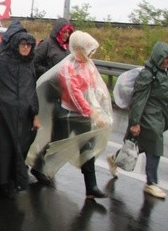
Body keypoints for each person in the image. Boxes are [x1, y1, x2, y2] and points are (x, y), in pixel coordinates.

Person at [29, 31, 112, 200]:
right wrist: (94, 114)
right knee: (56, 144)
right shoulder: (68, 67)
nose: (91, 54)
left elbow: (94, 86)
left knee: (87, 149)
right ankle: (38, 166)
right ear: (78, 49)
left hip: (84, 116)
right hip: (66, 114)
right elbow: (75, 95)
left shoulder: (88, 65)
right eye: (88, 50)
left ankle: (91, 187)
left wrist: (100, 100)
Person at [124, 41, 168, 199]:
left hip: (159, 116)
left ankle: (116, 159)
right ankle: (151, 183)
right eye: (166, 58)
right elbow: (138, 99)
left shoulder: (167, 73)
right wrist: (135, 122)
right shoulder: (148, 74)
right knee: (155, 146)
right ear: (158, 57)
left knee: (140, 147)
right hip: (147, 116)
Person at [0, 31, 40, 198]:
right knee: (4, 149)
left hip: (24, 115)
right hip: (4, 112)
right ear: (16, 45)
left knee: (21, 147)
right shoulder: (2, 61)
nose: (25, 48)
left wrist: (36, 114)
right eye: (23, 44)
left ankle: (14, 179)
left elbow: (32, 90)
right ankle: (2, 183)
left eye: (29, 45)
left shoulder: (30, 63)